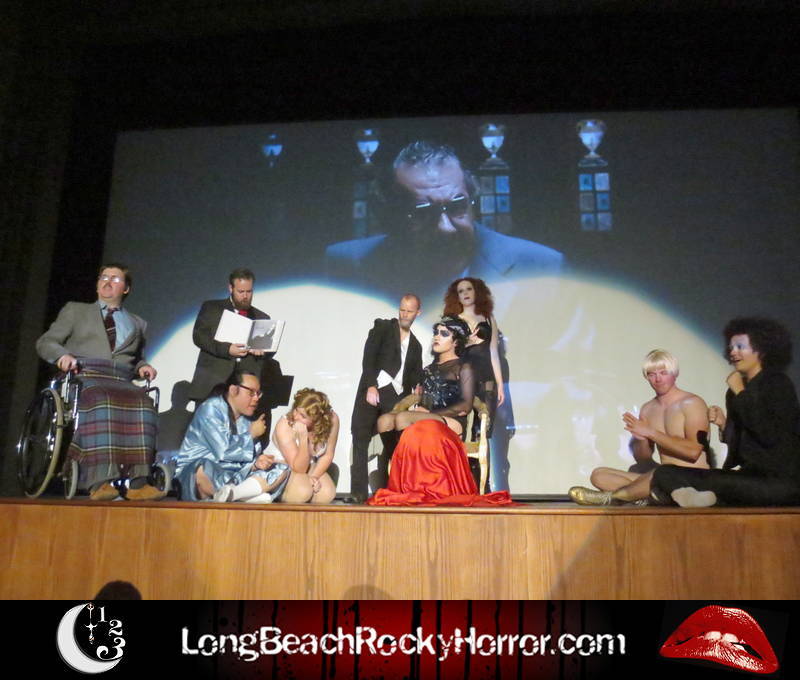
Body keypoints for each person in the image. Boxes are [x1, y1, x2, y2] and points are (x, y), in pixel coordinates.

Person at [325, 140, 563, 296]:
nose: (445, 228)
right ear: (390, 217)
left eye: (457, 206)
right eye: (422, 213)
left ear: (473, 201)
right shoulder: (346, 265)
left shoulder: (543, 266)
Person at [35, 262, 163, 501]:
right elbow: (46, 342)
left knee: (145, 404)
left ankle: (139, 481)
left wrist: (142, 367)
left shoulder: (138, 323)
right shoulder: (76, 310)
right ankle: (100, 480)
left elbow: (136, 358)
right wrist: (62, 356)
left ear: (126, 289)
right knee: (101, 399)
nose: (107, 282)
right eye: (104, 277)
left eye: (115, 278)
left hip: (121, 378)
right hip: (85, 373)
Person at [651, 318, 800, 507]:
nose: (733, 352)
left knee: (714, 483)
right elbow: (739, 451)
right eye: (731, 347)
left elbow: (769, 436)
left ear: (761, 349)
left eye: (740, 346)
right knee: (665, 472)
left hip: (780, 482)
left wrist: (740, 392)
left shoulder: (778, 383)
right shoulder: (734, 391)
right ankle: (691, 497)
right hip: (748, 478)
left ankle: (699, 497)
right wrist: (724, 425)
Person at [568, 349, 710, 505]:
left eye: (663, 373)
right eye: (651, 374)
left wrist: (651, 432)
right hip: (661, 478)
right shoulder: (648, 409)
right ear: (646, 377)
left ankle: (614, 497)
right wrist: (641, 438)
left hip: (693, 479)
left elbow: (693, 452)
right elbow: (644, 459)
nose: (658, 379)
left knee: (662, 473)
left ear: (675, 374)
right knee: (599, 475)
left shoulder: (692, 403)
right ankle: (652, 497)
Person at [188, 267, 284, 436]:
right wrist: (227, 349)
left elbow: (269, 350)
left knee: (242, 436)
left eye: (249, 291)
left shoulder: (261, 317)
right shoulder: (212, 308)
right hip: (215, 382)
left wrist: (263, 351)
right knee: (207, 434)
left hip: (244, 390)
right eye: (241, 291)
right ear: (230, 288)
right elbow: (199, 337)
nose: (245, 296)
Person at [348, 294, 423, 503]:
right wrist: (370, 385)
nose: (404, 315)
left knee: (393, 442)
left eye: (409, 311)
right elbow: (369, 358)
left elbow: (415, 375)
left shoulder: (415, 345)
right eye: (402, 310)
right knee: (360, 436)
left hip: (396, 396)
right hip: (374, 389)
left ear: (418, 313)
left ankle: (392, 489)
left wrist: (418, 390)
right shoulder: (383, 328)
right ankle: (358, 493)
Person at [175, 371, 290, 503]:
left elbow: (247, 459)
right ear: (233, 390)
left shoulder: (248, 420)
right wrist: (250, 435)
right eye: (251, 393)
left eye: (258, 393)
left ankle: (235, 495)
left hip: (234, 477)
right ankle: (243, 497)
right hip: (205, 473)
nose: (256, 398)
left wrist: (256, 464)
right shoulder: (211, 408)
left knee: (281, 469)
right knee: (201, 468)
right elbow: (223, 451)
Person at [376, 316, 475, 439]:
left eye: (444, 334)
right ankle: (399, 452)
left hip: (452, 421)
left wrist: (430, 412)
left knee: (403, 418)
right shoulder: (428, 369)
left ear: (456, 342)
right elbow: (422, 397)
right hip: (425, 417)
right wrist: (419, 396)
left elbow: (466, 406)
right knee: (384, 420)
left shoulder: (463, 367)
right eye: (436, 332)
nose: (437, 337)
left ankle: (408, 451)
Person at [443, 277, 505, 428]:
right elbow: (446, 351)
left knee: (483, 429)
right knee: (457, 427)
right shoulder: (452, 321)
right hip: (461, 378)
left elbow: (493, 352)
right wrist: (468, 343)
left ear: (476, 291)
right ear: (456, 296)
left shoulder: (489, 318)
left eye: (469, 289)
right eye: (461, 291)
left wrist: (500, 384)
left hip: (486, 378)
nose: (465, 293)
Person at [270, 388, 339, 504]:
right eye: (296, 410)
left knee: (327, 493)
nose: (296, 416)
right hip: (284, 467)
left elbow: (328, 454)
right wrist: (303, 438)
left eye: (303, 416)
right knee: (303, 491)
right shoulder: (285, 424)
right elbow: (298, 468)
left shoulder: (332, 419)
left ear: (317, 420)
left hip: (308, 465)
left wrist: (314, 477)